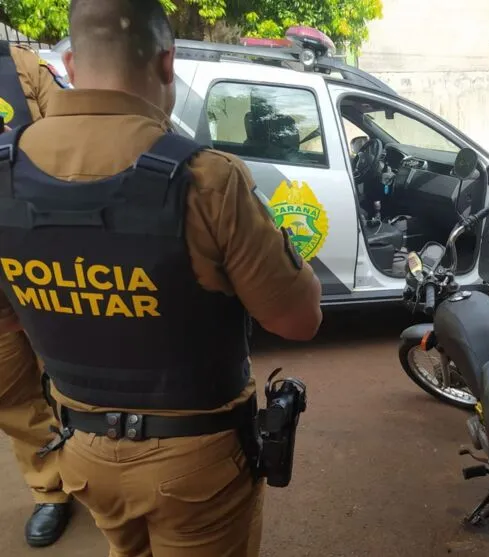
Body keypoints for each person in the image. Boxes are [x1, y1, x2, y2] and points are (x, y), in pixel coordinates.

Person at [0, 0, 323, 555]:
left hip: (82, 453)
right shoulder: (207, 179)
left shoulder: (5, 176)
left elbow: (11, 325)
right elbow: (298, 320)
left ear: (71, 65)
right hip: (195, 466)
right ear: (166, 61)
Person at [0, 39, 72, 547]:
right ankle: (52, 489)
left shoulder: (23, 67)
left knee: (80, 375)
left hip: (45, 262)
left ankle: (95, 471)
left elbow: (71, 141)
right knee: (12, 395)